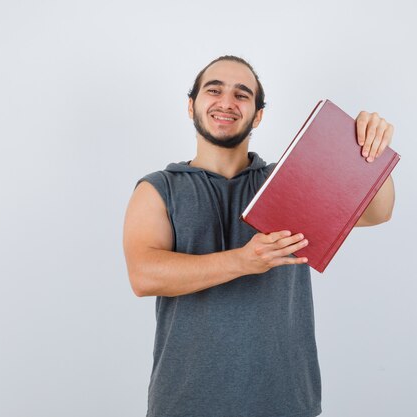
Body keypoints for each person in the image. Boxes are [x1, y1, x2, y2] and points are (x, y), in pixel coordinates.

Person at [123, 55, 395, 417]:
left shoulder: (287, 182)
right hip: (186, 404)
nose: (226, 102)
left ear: (258, 114)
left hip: (285, 403)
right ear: (192, 106)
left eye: (242, 94)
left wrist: (367, 149)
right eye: (214, 90)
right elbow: (144, 275)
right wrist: (242, 261)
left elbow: (379, 212)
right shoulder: (158, 188)